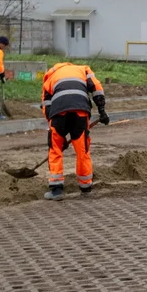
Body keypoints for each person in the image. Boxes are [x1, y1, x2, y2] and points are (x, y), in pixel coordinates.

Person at [40, 62, 109, 201]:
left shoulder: (50, 77)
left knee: (55, 149)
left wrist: (56, 134)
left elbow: (46, 105)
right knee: (82, 149)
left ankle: (56, 189)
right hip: (80, 111)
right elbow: (96, 88)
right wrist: (102, 111)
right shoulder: (83, 70)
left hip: (58, 113)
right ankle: (86, 187)